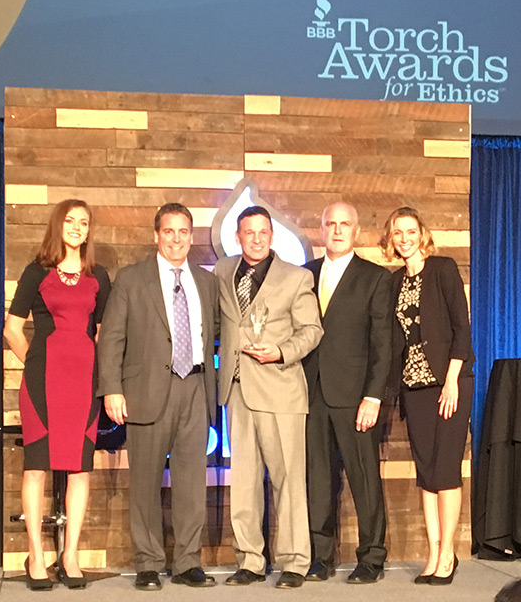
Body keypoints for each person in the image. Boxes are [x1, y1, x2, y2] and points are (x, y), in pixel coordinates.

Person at [97, 203, 219, 591]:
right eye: (169, 231)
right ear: (156, 235)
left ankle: (187, 562)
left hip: (195, 388)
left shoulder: (206, 281)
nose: (177, 238)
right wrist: (112, 388)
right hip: (145, 391)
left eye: (184, 231)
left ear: (191, 236)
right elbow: (112, 338)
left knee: (191, 482)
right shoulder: (132, 280)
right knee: (146, 480)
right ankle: (148, 562)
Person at [3, 199, 111, 591]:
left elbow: (104, 334)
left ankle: (70, 556)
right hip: (42, 383)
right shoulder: (36, 272)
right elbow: (12, 329)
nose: (77, 228)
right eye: (70, 221)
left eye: (84, 222)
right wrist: (33, 360)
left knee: (81, 468)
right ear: (58, 225)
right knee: (37, 466)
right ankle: (36, 555)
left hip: (84, 383)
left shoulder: (99, 275)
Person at [215, 206, 322, 589]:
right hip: (237, 389)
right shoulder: (224, 272)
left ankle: (295, 562)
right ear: (238, 236)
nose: (256, 239)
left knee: (288, 479)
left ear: (272, 236)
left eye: (263, 232)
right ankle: (250, 560)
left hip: (280, 389)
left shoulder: (296, 278)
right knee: (242, 481)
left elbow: (312, 331)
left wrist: (281, 352)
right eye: (248, 232)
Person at [380, 206, 474, 585]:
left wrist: (452, 381)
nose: (404, 238)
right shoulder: (393, 282)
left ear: (422, 233)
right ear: (391, 239)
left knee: (447, 469)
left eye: (410, 231)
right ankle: (432, 551)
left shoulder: (443, 269)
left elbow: (461, 331)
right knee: (426, 472)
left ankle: (448, 552)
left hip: (448, 382)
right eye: (397, 233)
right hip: (413, 388)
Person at [303, 202, 393, 585]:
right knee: (317, 480)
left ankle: (371, 558)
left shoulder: (375, 278)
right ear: (321, 230)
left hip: (357, 397)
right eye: (330, 224)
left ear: (356, 232)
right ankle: (320, 557)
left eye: (345, 225)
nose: (337, 230)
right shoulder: (304, 275)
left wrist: (373, 396)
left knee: (364, 479)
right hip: (310, 394)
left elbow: (383, 343)